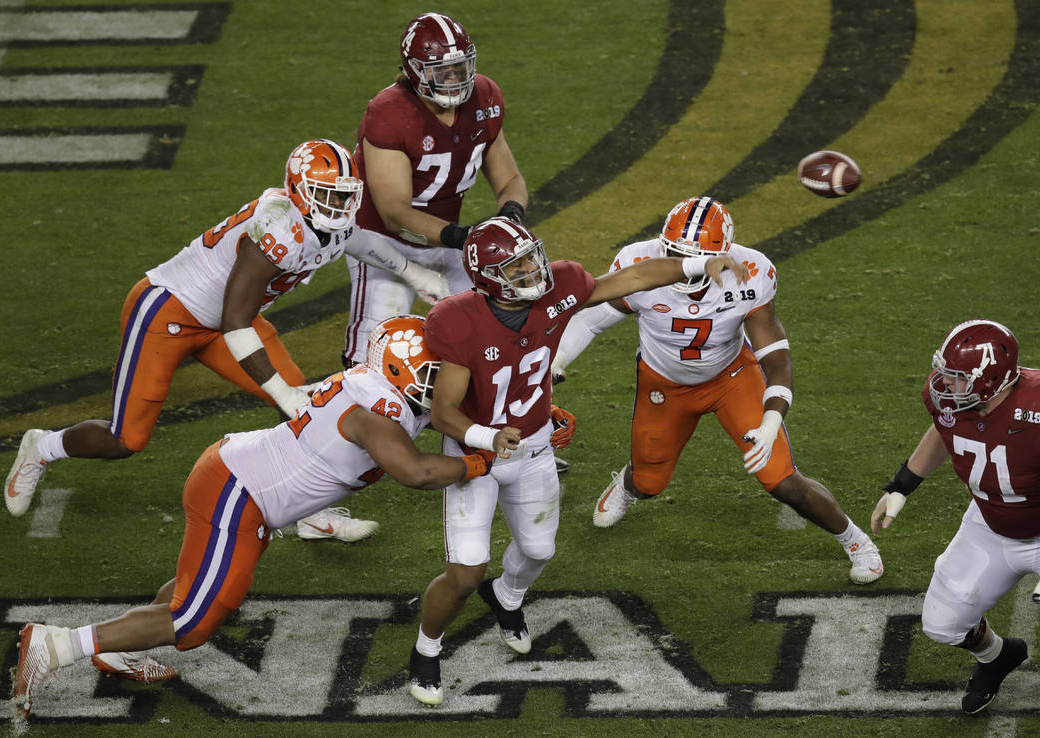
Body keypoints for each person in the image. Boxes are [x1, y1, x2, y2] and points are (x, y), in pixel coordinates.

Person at [11, 315, 496, 722]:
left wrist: (512, 421)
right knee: (193, 621)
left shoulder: (378, 390)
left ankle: (121, 648)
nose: (444, 384)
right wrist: (483, 458)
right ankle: (57, 644)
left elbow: (440, 416)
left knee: (197, 587)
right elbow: (416, 472)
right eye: (433, 373)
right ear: (397, 370)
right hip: (237, 492)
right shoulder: (374, 411)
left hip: (242, 483)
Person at [2, 139, 427, 549]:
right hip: (170, 311)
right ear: (299, 192)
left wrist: (413, 270)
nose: (338, 207)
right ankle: (42, 447)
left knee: (303, 408)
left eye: (343, 196)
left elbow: (358, 240)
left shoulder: (325, 219)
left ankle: (310, 514)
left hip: (229, 319)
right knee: (125, 440)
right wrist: (283, 391)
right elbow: (235, 321)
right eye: (326, 195)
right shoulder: (277, 225)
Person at [406, 215, 749, 706]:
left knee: (539, 551)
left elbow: (628, 280)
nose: (532, 271)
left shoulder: (557, 289)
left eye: (531, 257)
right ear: (486, 277)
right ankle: (426, 649)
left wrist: (696, 264)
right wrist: (488, 435)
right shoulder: (457, 320)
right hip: (474, 454)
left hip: (534, 445)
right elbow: (443, 412)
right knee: (464, 575)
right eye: (516, 265)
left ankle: (506, 598)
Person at [551, 196, 884, 586]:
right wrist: (556, 363)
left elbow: (776, 358)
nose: (682, 270)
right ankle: (627, 484)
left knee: (780, 477)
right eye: (673, 254)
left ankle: (857, 541)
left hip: (732, 378)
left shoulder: (752, 270)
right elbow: (591, 320)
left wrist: (772, 418)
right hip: (664, 383)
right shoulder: (638, 264)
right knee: (648, 482)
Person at [870, 319, 1040, 716]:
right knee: (942, 624)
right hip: (990, 523)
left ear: (990, 380)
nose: (944, 384)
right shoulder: (954, 402)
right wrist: (901, 485)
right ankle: (997, 656)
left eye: (956, 378)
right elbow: (944, 430)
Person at [339, 11, 528, 370]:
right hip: (384, 243)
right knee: (372, 354)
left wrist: (510, 217)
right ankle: (329, 420)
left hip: (446, 241)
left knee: (491, 336)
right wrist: (461, 236)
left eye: (460, 67)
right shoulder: (389, 112)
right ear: (415, 71)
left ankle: (485, 418)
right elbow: (395, 214)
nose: (454, 79)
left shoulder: (484, 97)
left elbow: (510, 182)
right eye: (442, 71)